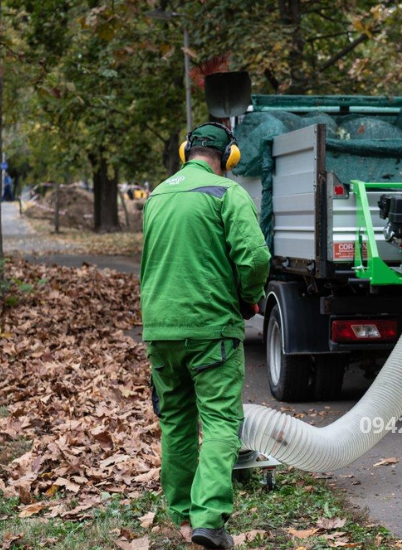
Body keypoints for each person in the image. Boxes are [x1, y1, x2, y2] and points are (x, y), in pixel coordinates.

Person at [140, 122, 271, 549]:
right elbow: (253, 256)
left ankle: (181, 516)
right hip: (211, 327)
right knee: (220, 423)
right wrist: (247, 297)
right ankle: (209, 520)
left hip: (159, 329)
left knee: (176, 420)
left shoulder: (157, 195)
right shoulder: (227, 193)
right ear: (229, 158)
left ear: (185, 152)